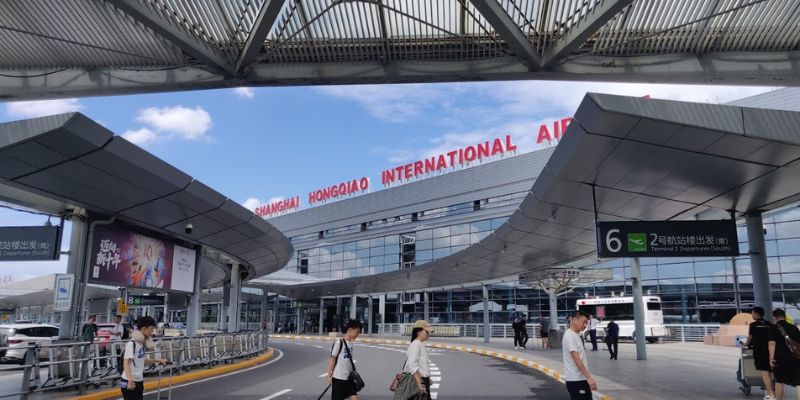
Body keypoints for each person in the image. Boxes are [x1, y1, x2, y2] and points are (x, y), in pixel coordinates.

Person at [120, 316, 168, 400]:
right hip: (129, 380)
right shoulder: (131, 344)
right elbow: (126, 363)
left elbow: (142, 360)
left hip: (139, 380)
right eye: (151, 329)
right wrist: (130, 381)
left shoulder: (142, 343)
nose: (152, 332)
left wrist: (159, 360)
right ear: (143, 329)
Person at [563, 310, 597, 400]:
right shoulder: (570, 336)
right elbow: (576, 359)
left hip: (580, 379)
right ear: (574, 320)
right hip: (576, 380)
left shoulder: (575, 335)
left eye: (587, 323)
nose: (585, 325)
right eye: (584, 322)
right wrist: (589, 378)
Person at [326, 319, 363, 400]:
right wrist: (329, 375)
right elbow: (332, 359)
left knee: (354, 397)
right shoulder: (339, 342)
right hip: (338, 378)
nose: (358, 335)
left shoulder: (351, 344)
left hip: (349, 378)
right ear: (350, 330)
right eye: (357, 332)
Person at [744, 307, 775, 400]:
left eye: (752, 313)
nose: (752, 315)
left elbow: (750, 338)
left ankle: (771, 394)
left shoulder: (753, 325)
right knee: (768, 371)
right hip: (770, 351)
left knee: (764, 372)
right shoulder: (770, 324)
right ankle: (769, 392)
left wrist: (745, 344)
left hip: (759, 351)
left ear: (757, 314)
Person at [769, 308, 800, 400]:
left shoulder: (773, 328)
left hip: (780, 358)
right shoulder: (794, 327)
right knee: (798, 382)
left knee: (779, 381)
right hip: (795, 357)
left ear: (774, 317)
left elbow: (772, 343)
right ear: (785, 316)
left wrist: (771, 358)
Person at [405, 320, 434, 400]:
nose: (428, 334)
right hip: (418, 384)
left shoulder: (419, 344)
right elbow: (412, 366)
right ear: (419, 331)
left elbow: (421, 366)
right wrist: (420, 387)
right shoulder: (416, 344)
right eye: (426, 331)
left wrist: (427, 379)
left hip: (422, 382)